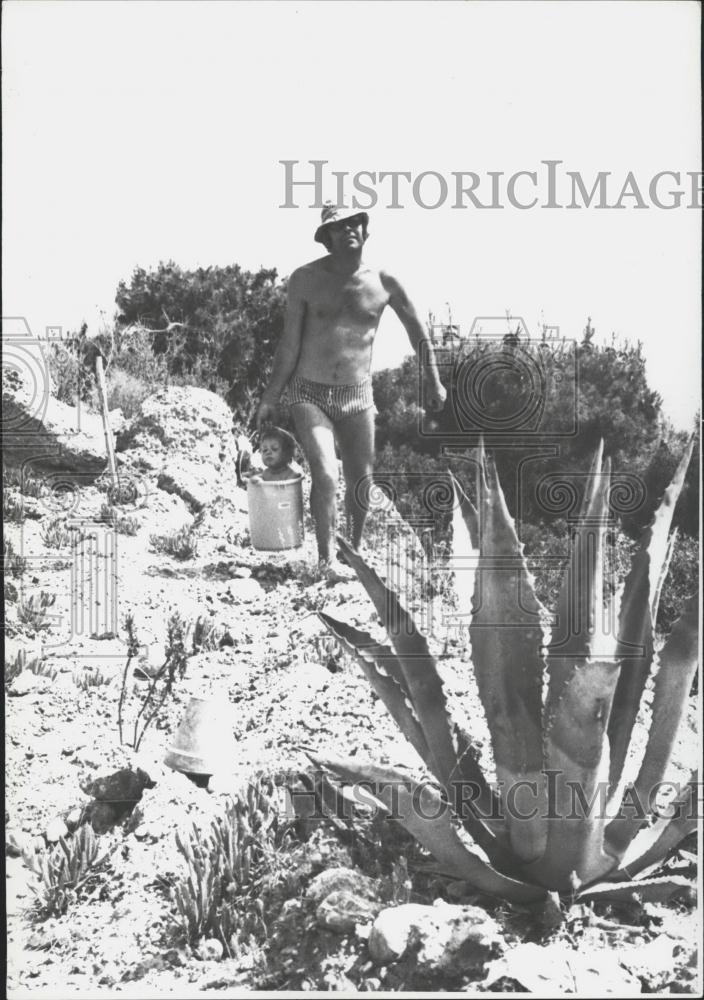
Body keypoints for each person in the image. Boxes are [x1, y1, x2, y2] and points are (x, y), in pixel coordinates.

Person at [257, 202, 447, 578]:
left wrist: (433, 379)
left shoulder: (384, 282)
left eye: (355, 222)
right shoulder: (304, 279)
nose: (348, 230)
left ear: (366, 229)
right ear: (326, 238)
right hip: (308, 392)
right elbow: (289, 345)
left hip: (357, 396)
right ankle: (326, 561)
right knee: (327, 475)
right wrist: (270, 397)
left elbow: (417, 331)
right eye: (338, 226)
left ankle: (353, 552)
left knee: (362, 479)